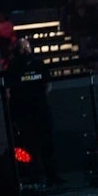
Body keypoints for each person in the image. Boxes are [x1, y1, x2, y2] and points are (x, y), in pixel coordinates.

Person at [6, 38, 62, 186]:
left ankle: (52, 176)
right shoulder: (13, 67)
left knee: (47, 144)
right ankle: (35, 178)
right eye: (23, 47)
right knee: (30, 147)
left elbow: (48, 83)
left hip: (41, 110)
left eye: (27, 47)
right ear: (17, 50)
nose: (26, 50)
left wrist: (40, 97)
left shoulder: (38, 64)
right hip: (24, 113)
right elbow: (8, 90)